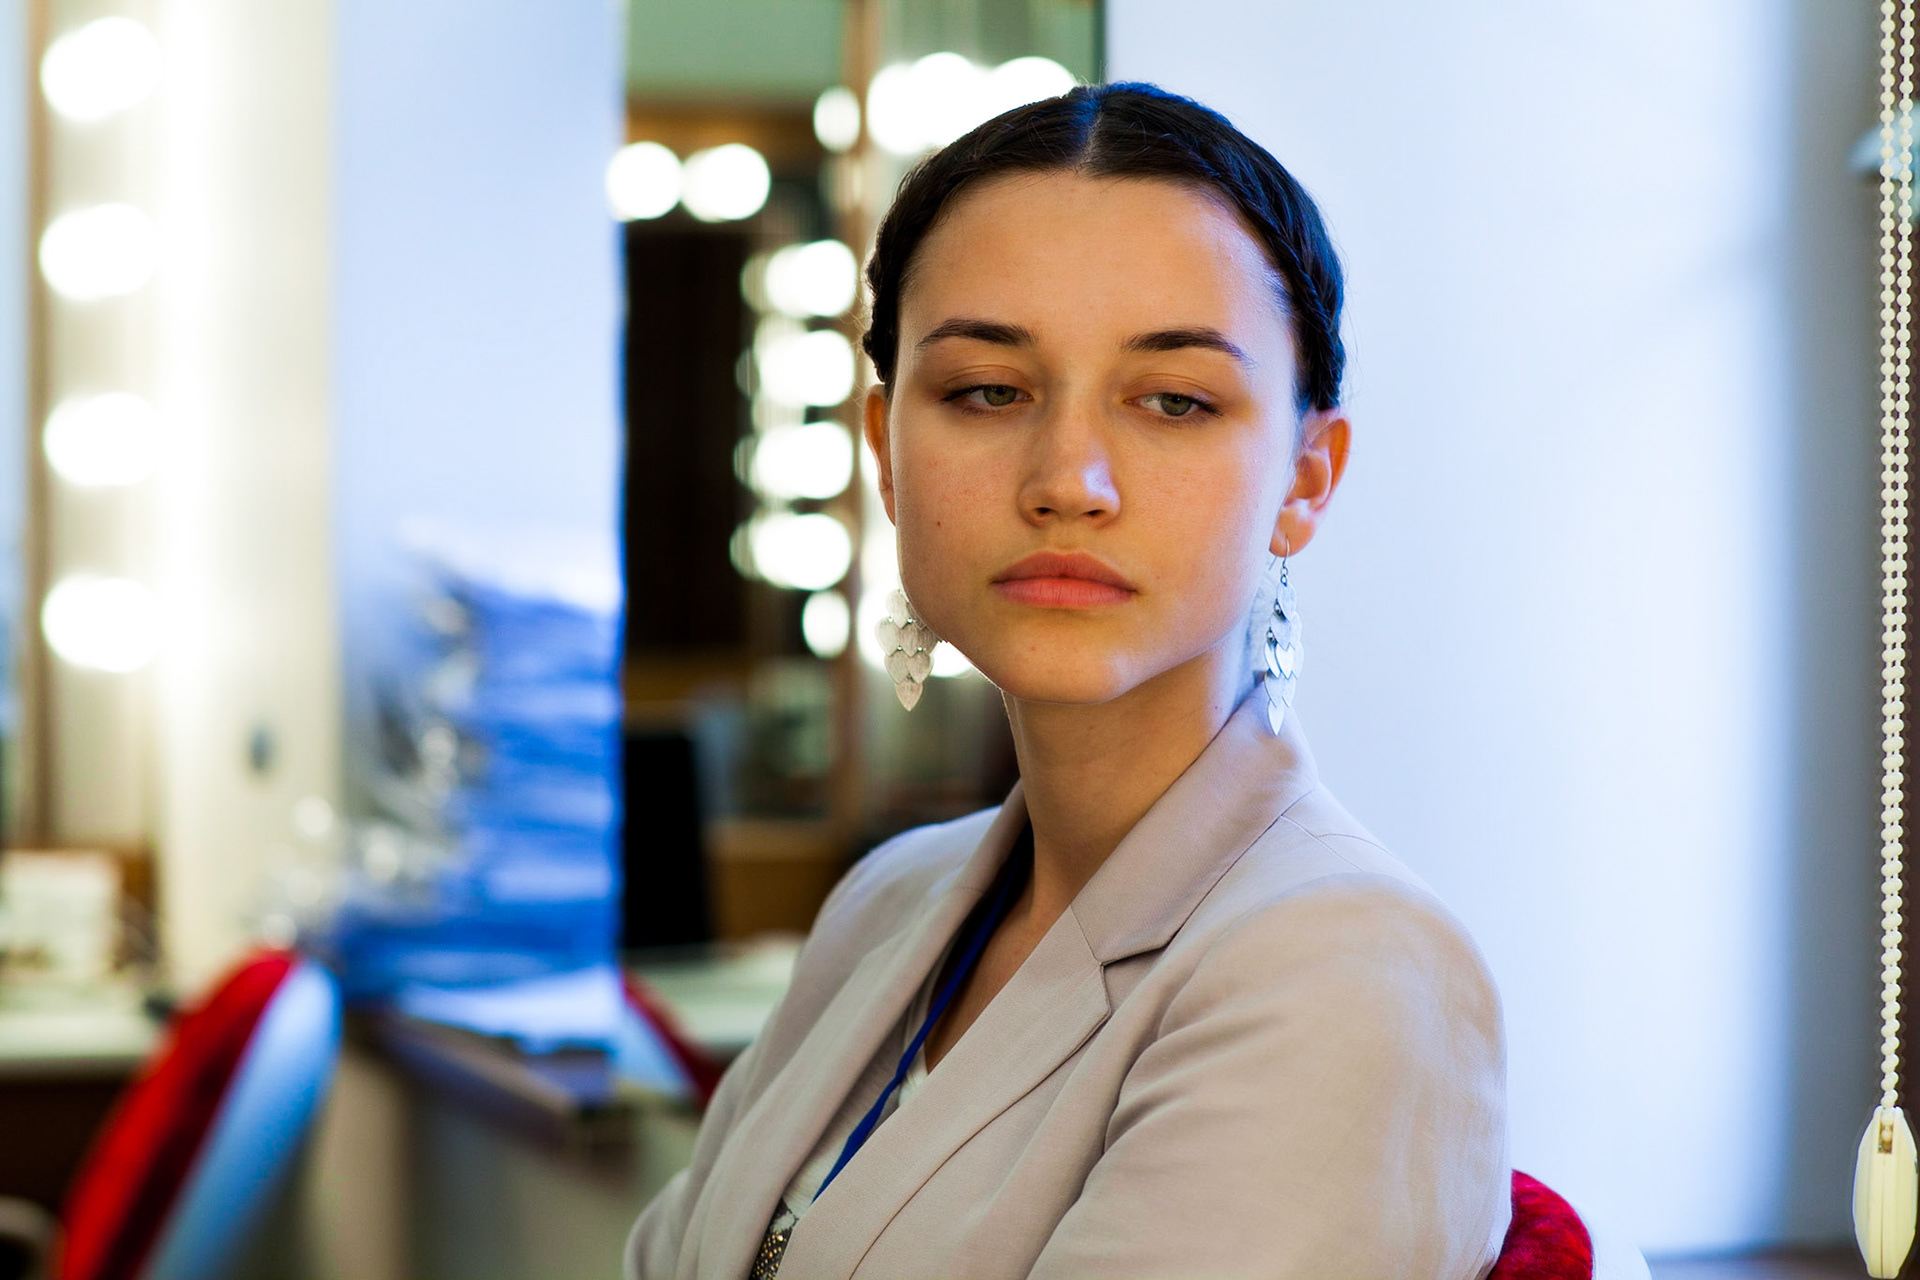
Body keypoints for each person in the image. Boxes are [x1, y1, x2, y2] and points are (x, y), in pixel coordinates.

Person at [626, 82, 1508, 1280]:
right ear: (884, 452)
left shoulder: (1344, 968)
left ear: (1305, 479)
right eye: (988, 390)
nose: (1068, 477)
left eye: (1174, 400)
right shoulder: (891, 901)